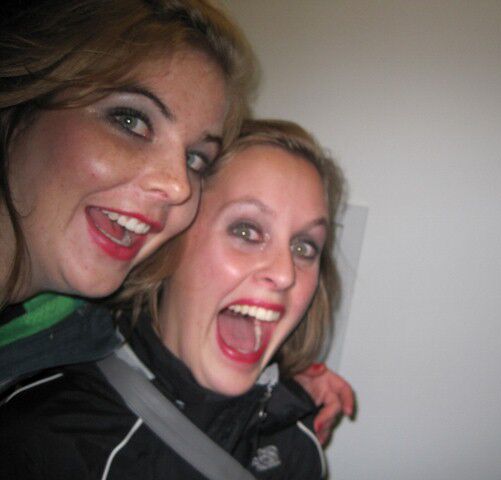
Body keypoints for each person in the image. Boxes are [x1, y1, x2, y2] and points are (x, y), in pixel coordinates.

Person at [0, 0, 351, 437]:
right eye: (131, 120)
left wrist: (282, 394)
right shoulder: (50, 419)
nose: (178, 186)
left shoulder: (78, 333)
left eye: (195, 159)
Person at [0, 119, 347, 478]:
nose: (286, 273)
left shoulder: (297, 446)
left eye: (304, 247)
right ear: (173, 240)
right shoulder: (47, 440)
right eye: (246, 230)